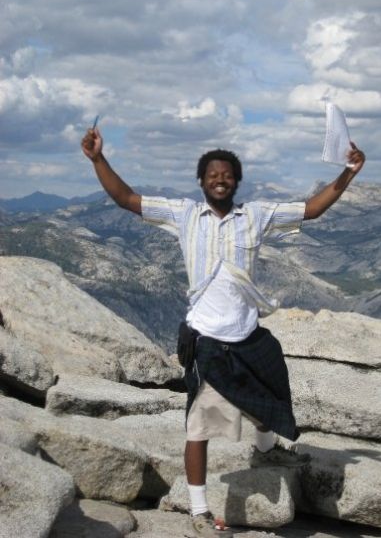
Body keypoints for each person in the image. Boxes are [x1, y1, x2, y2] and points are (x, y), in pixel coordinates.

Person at [81, 127, 365, 538]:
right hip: (208, 341)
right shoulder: (183, 215)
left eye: (227, 175)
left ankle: (266, 451)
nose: (220, 179)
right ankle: (199, 511)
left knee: (270, 392)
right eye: (213, 174)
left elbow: (312, 209)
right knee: (199, 426)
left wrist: (348, 172)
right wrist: (97, 159)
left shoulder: (256, 215)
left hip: (247, 334)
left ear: (237, 181)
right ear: (201, 181)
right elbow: (126, 198)